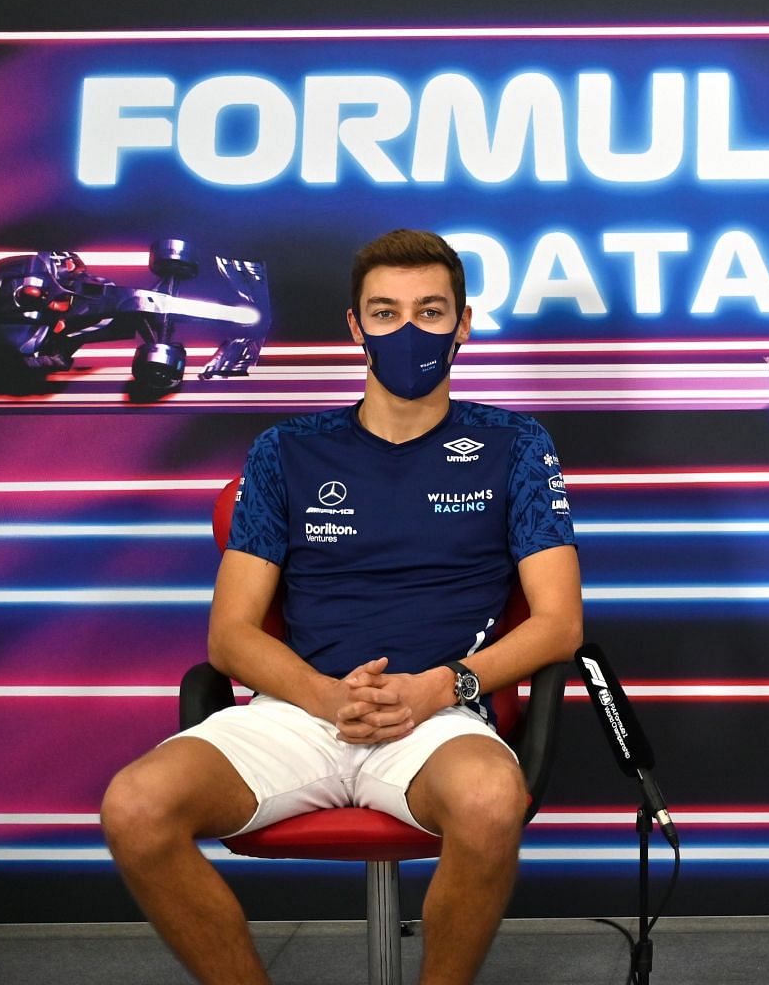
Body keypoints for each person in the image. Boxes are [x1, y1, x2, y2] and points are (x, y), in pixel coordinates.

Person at [100, 229, 583, 985]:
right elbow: (229, 635)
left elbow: (560, 623)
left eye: (431, 311)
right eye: (385, 313)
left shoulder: (515, 444)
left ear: (464, 322)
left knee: (492, 801)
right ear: (355, 327)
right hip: (297, 709)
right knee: (134, 806)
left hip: (440, 714)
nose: (409, 330)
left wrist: (439, 687)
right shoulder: (285, 450)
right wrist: (328, 697)